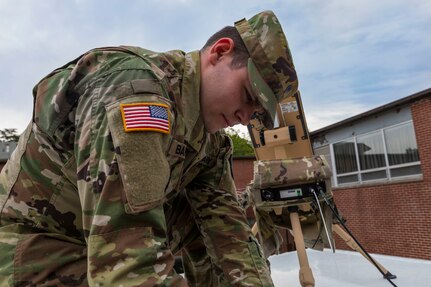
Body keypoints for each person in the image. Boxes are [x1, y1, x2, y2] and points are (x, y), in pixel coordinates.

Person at [0, 10, 298, 286]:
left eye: (256, 113)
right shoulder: (136, 94)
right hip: (30, 248)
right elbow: (129, 263)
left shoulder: (209, 144)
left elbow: (231, 237)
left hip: (91, 247)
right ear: (220, 52)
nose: (244, 117)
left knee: (209, 222)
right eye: (247, 95)